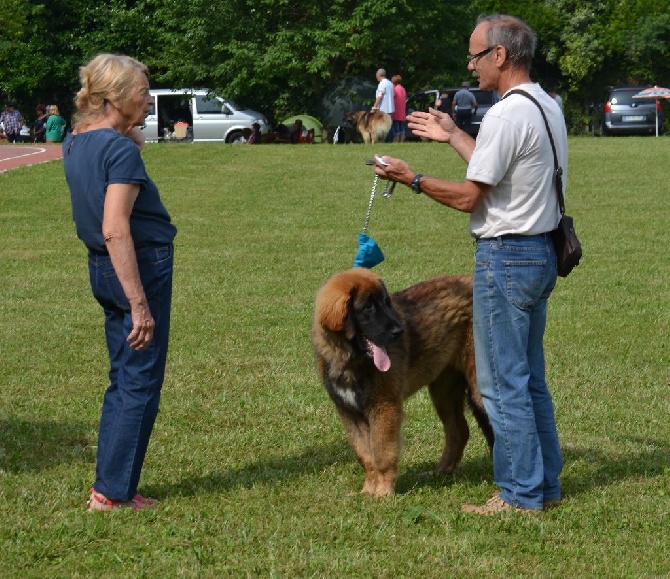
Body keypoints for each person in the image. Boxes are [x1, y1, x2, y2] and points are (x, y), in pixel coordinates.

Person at [372, 14, 566, 514]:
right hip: (540, 251)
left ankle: (520, 495)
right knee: (530, 381)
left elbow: (468, 198)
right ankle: (544, 485)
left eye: (476, 55)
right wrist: (454, 132)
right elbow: (496, 167)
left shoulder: (505, 114)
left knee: (502, 387)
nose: (470, 64)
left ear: (500, 56)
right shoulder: (544, 105)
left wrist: (413, 179)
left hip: (507, 257)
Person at [62, 53, 177, 512]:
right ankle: (112, 494)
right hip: (136, 268)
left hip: (102, 268)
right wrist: (140, 304)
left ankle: (109, 485)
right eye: (143, 93)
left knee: (123, 377)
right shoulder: (119, 150)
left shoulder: (77, 141)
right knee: (139, 381)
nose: (149, 102)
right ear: (116, 97)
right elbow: (115, 227)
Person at [391, 74, 407, 142]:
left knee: (396, 127)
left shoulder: (394, 89)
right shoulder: (403, 89)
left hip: (396, 111)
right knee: (402, 127)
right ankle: (402, 140)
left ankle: (396, 140)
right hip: (402, 111)